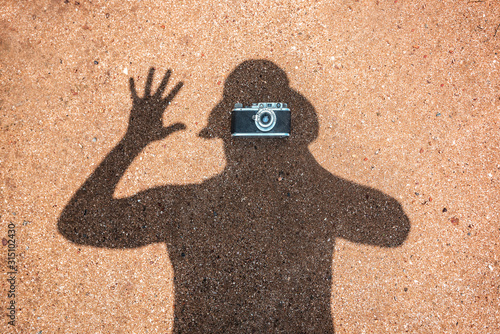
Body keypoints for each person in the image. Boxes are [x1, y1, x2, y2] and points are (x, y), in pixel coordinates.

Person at [58, 60, 410, 333]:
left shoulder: (185, 208)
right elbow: (77, 224)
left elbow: (395, 227)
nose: (256, 139)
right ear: (226, 135)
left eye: (269, 124)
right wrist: (300, 156)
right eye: (249, 125)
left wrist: (132, 143)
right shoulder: (318, 205)